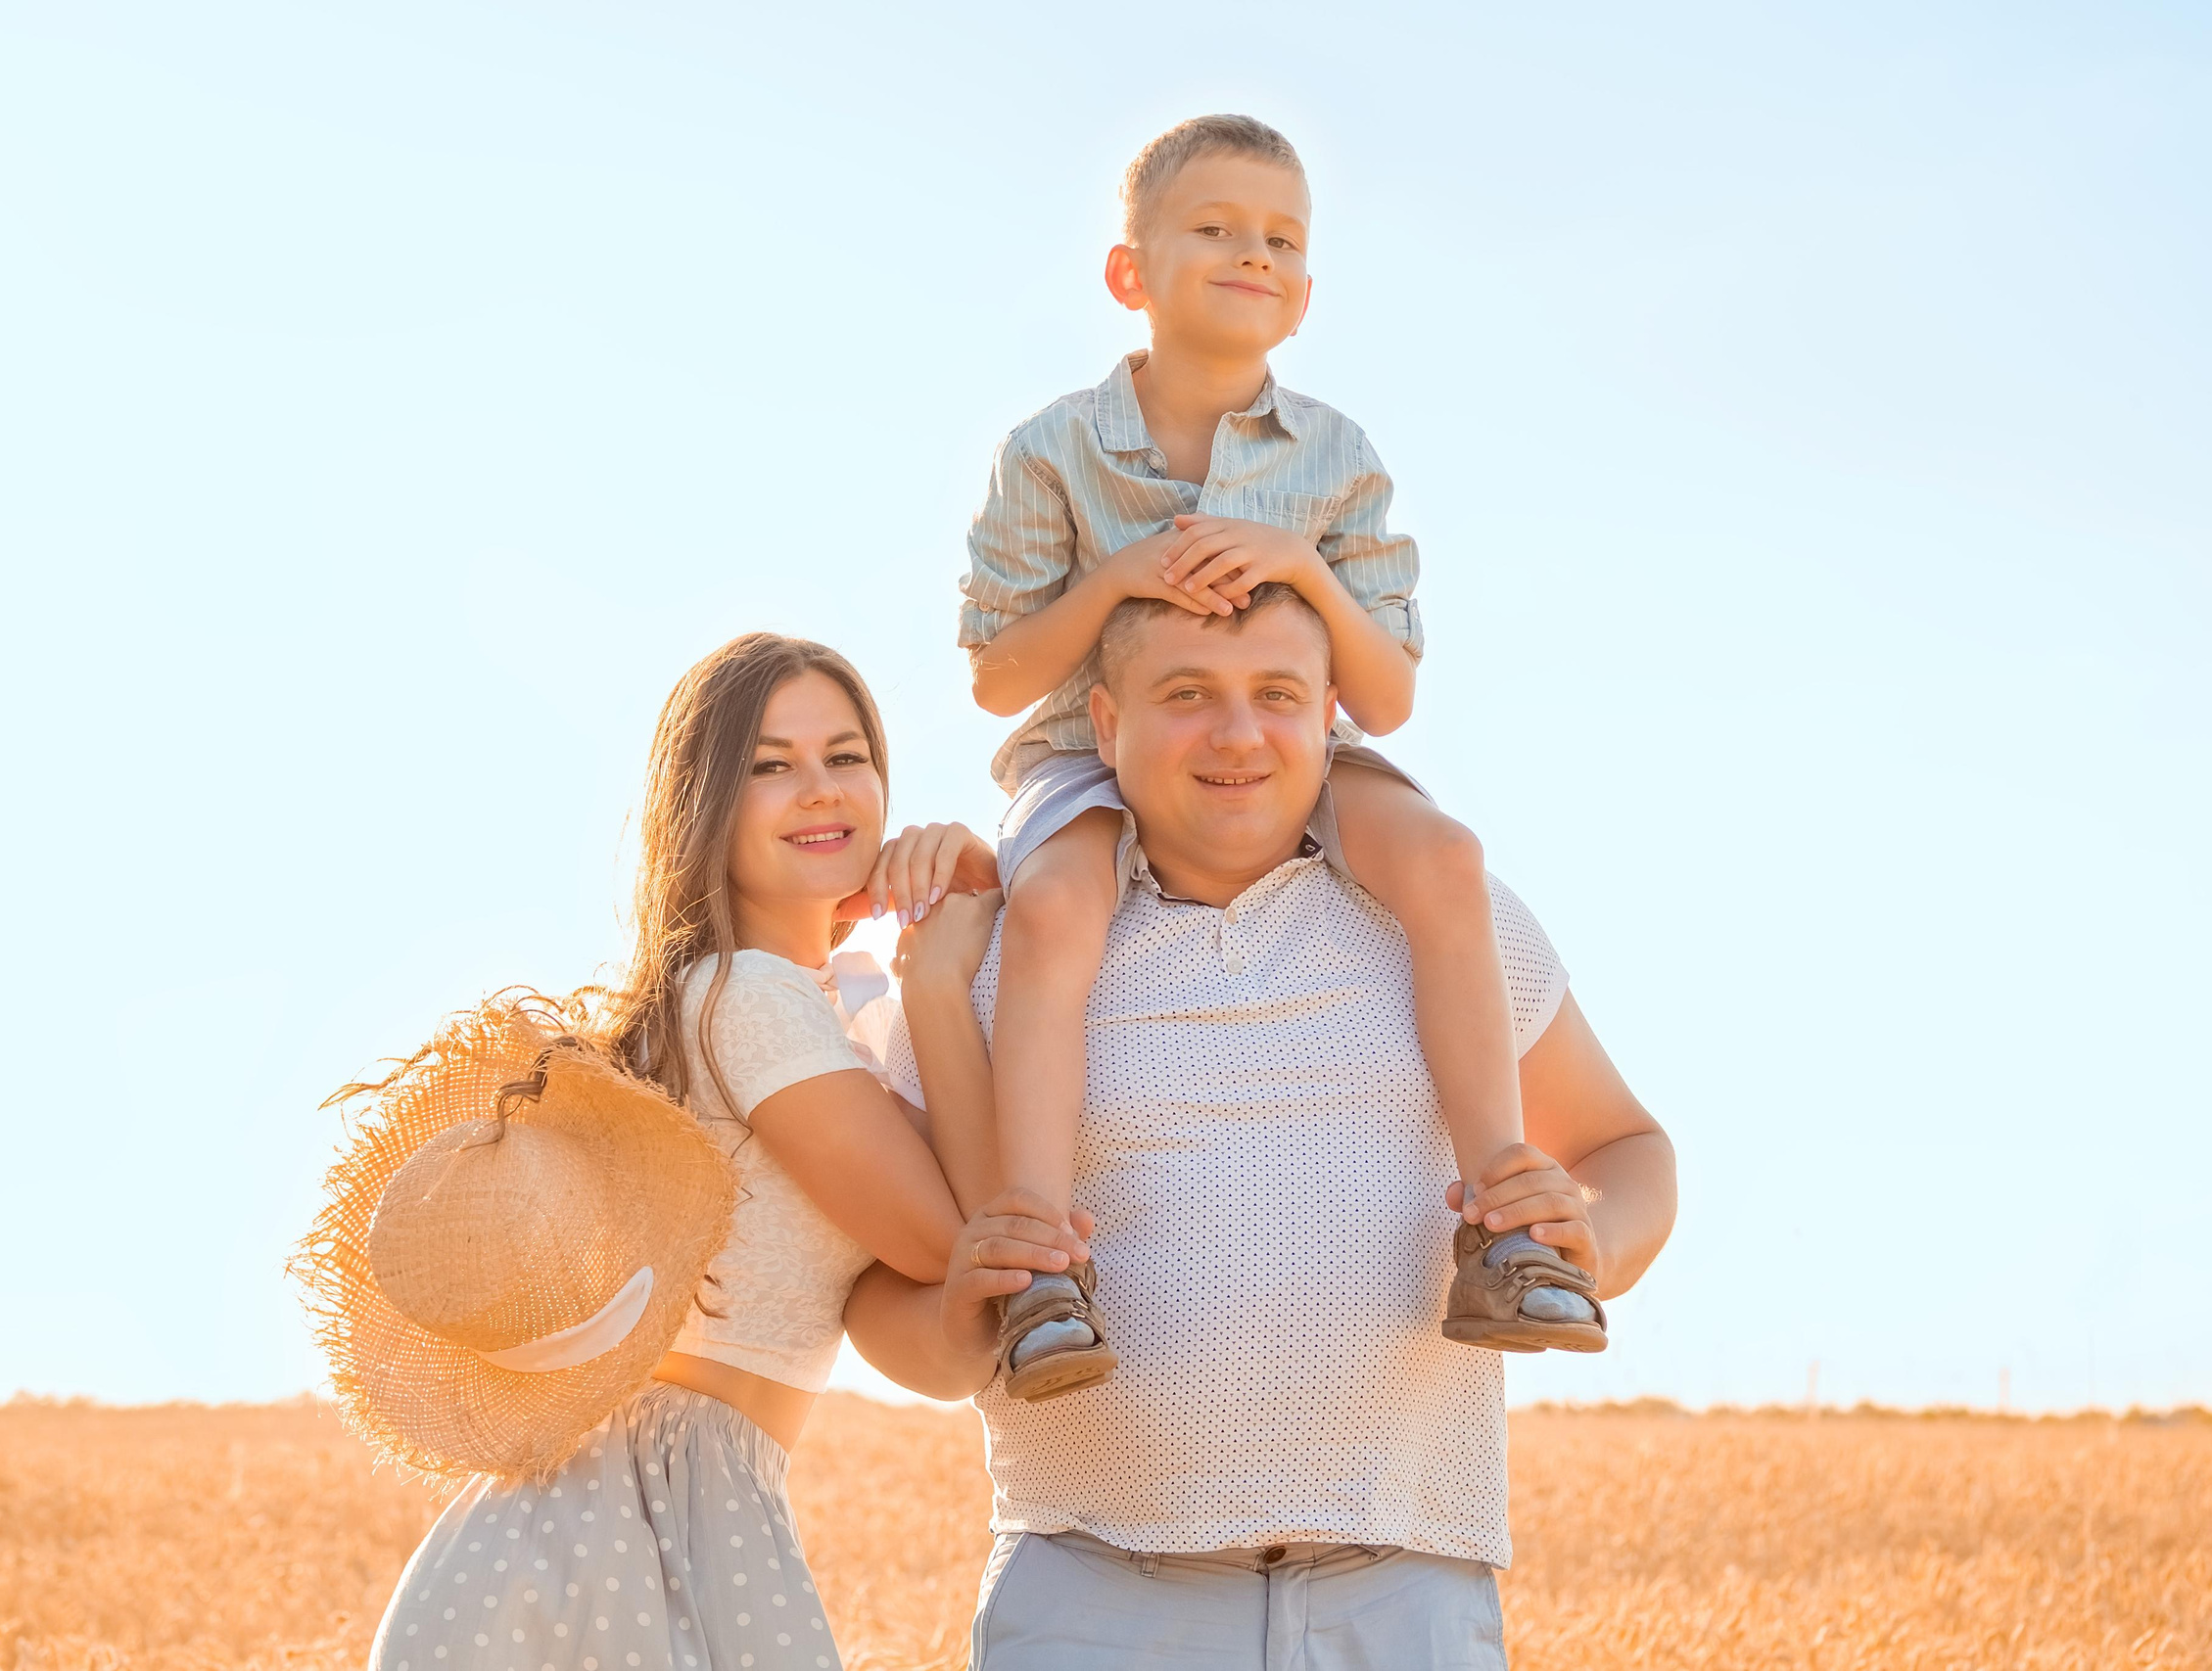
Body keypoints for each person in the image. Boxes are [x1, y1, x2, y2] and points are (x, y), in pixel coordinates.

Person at [850, 585, 1679, 1669]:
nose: (1237, 734)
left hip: (1405, 1595)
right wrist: (957, 1325)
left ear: (1328, 715)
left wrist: (1595, 1237)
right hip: (1094, 1598)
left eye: (1276, 695)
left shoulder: (1449, 928)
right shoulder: (999, 954)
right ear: (1106, 725)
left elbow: (1629, 1150)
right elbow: (876, 1288)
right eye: (1187, 693)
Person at [956, 114, 1591, 1401]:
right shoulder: (1053, 451)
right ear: (1130, 272)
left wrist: (1299, 563)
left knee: (1446, 854)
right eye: (1216, 228)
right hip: (1092, 751)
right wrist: (1122, 580)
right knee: (1059, 905)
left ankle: (1504, 1226)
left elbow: (1390, 696)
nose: (1253, 253)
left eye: (1281, 239)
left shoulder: (1336, 460)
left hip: (1296, 747)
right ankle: (1039, 1263)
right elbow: (996, 673)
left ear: (1303, 297)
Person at [363, 632, 1079, 1671]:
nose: (819, 791)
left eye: (846, 756)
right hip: (639, 1518)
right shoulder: (752, 1000)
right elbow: (958, 1234)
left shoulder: (788, 1008)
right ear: (704, 802)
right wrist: (937, 976)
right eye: (769, 766)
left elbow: (943, 1295)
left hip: (628, 1517)